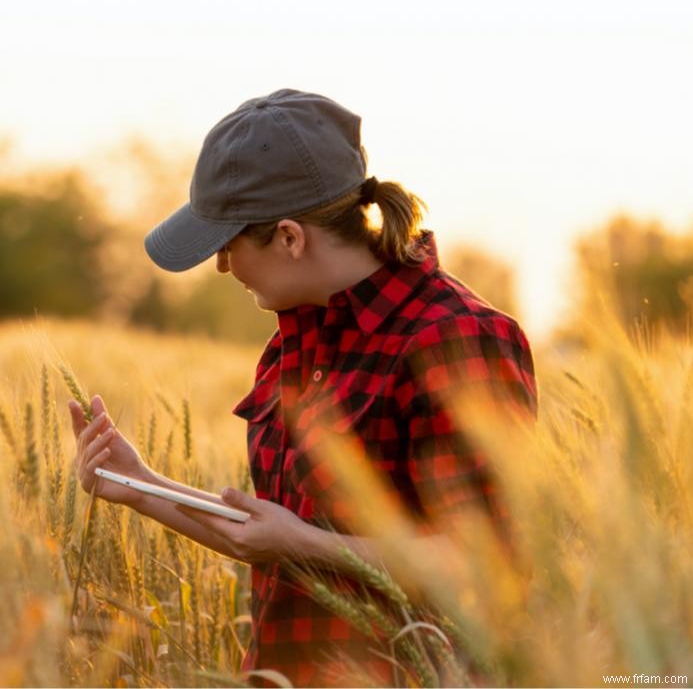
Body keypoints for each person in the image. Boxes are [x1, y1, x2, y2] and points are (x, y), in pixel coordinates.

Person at [68, 88, 538, 687]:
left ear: (290, 237)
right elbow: (265, 537)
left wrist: (306, 544)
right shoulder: (292, 345)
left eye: (228, 244)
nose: (219, 266)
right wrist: (136, 484)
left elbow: (487, 563)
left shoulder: (455, 340)